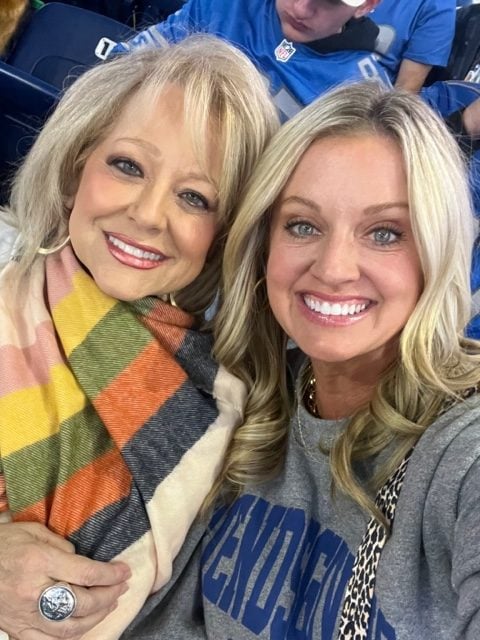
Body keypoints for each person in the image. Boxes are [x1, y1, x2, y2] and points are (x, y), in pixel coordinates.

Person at [121, 82, 480, 639]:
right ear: (263, 244)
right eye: (303, 225)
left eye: (385, 233)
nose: (334, 268)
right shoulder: (238, 397)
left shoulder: (463, 445)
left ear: (437, 250)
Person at [0, 34, 278, 640]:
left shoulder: (238, 388)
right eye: (128, 166)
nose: (150, 215)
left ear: (225, 234)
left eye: (194, 197)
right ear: (75, 169)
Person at [113, 0, 457, 119]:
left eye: (329, 0)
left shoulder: (356, 95)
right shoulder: (225, 5)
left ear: (367, 6)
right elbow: (122, 66)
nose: (301, 8)